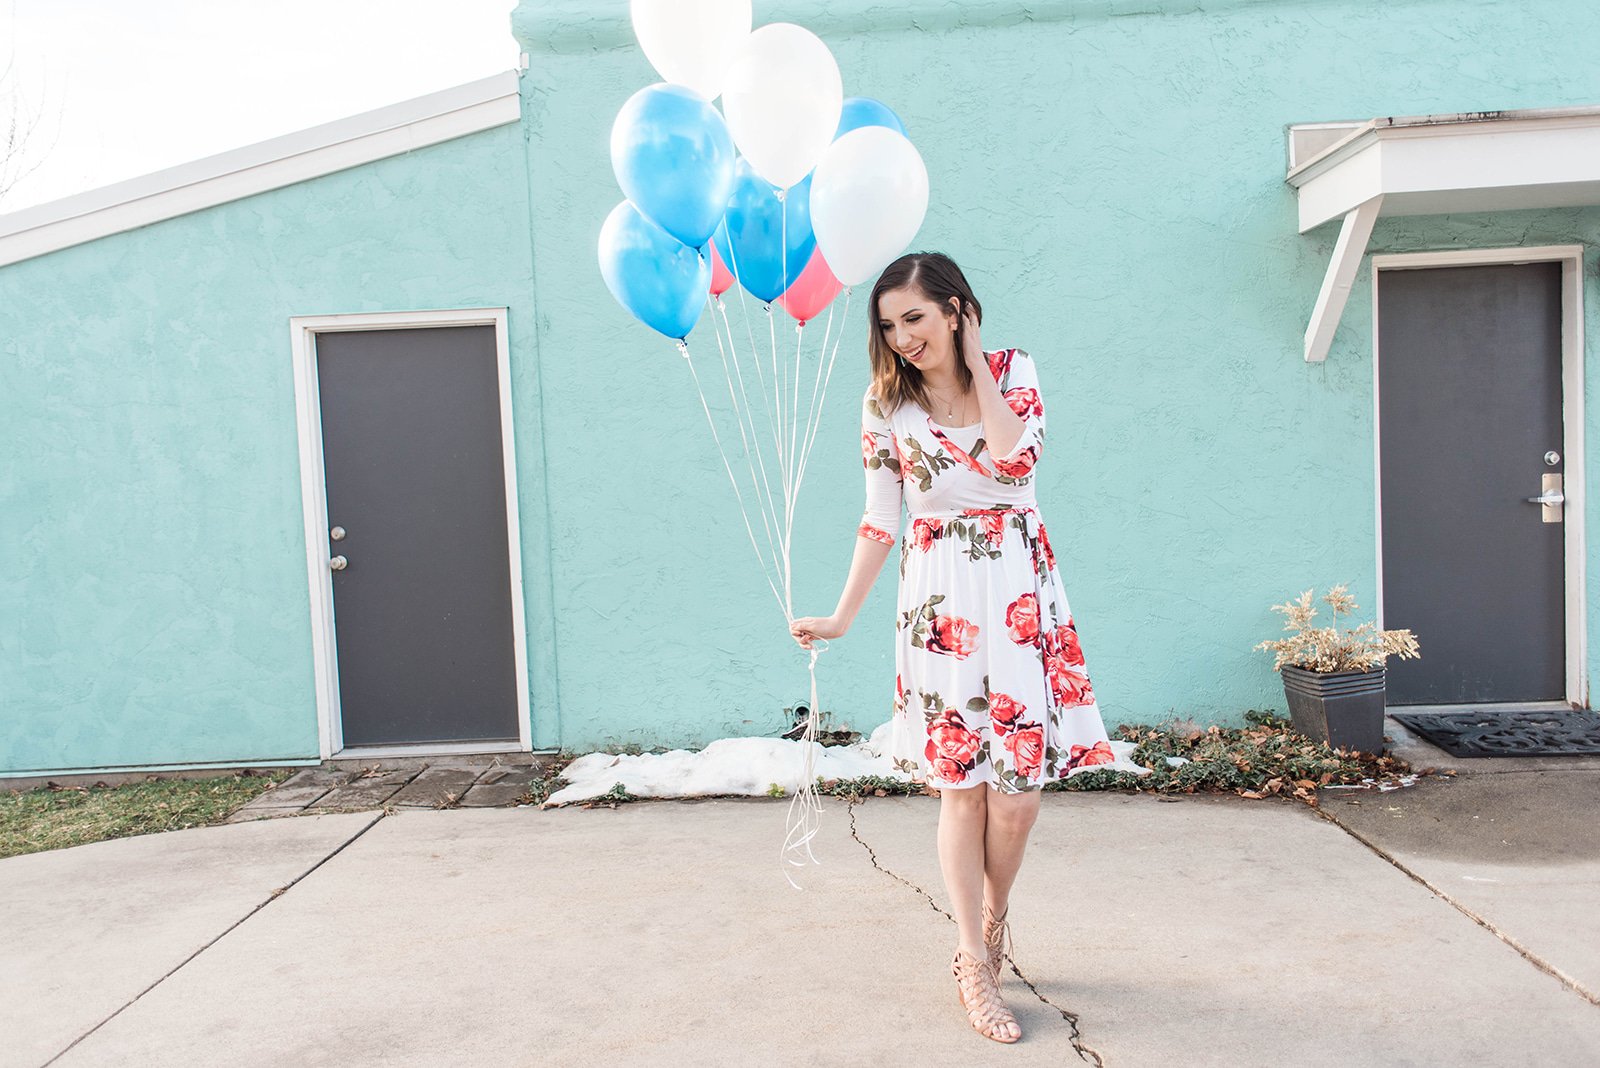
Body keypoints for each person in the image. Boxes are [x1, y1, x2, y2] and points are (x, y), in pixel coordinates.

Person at [790, 251, 1116, 1044]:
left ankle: (995, 916)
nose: (903, 337)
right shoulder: (885, 404)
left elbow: (1016, 459)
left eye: (916, 317)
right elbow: (880, 519)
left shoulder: (1014, 370)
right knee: (962, 791)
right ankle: (973, 956)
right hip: (939, 610)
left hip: (1019, 602)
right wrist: (841, 617)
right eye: (889, 325)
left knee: (1019, 798)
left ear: (956, 309)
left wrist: (975, 362)